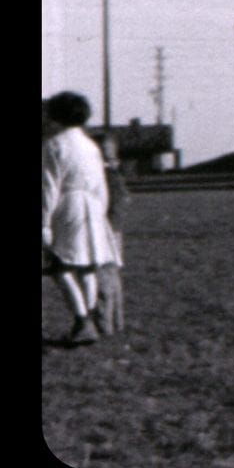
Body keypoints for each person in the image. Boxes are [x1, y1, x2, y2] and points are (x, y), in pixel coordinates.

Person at [42, 91, 123, 345]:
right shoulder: (91, 146)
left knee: (60, 266)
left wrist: (44, 222)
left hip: (67, 206)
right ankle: (88, 319)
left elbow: (48, 186)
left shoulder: (53, 145)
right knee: (87, 267)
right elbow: (101, 185)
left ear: (56, 116)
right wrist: (100, 213)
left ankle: (82, 320)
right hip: (93, 207)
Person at [92, 133, 129, 335]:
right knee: (112, 276)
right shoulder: (115, 175)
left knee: (104, 277)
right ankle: (116, 321)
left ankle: (105, 323)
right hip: (112, 229)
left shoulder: (108, 177)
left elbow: (117, 204)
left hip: (106, 229)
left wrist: (109, 227)